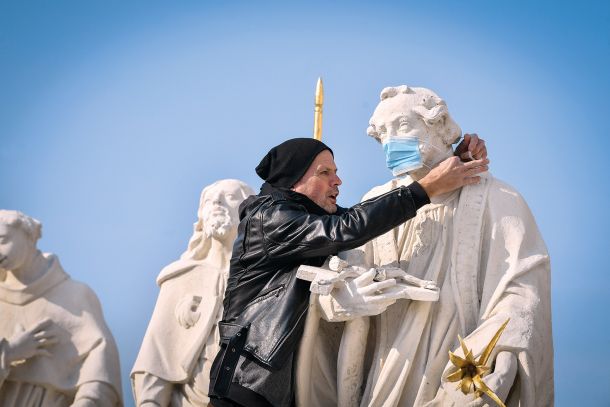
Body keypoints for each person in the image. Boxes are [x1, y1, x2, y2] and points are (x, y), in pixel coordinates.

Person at [297, 86, 553, 407]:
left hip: (458, 364)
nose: (391, 141)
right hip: (385, 368)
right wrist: (344, 299)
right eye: (383, 133)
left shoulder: (499, 199)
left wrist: (493, 353)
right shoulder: (377, 203)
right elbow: (341, 279)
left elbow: (522, 289)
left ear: (440, 126)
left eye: (403, 127)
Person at [208, 137, 489, 407]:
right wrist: (427, 187)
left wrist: (450, 165)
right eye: (324, 172)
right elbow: (347, 228)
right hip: (245, 384)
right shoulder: (268, 218)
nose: (337, 181)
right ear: (293, 181)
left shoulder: (305, 220)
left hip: (272, 390)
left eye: (336, 172)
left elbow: (361, 216)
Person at [131, 179, 255, 407]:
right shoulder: (180, 278)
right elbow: (156, 356)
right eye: (209, 200)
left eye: (229, 197)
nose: (217, 202)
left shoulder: (264, 277)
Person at [0, 210, 122, 406]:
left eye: (3, 239)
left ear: (29, 237)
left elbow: (101, 371)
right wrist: (10, 352)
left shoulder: (75, 296)